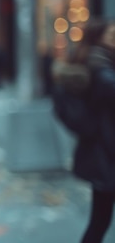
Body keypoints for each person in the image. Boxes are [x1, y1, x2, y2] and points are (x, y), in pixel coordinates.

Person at [55, 19, 115, 243]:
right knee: (100, 219)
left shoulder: (97, 58)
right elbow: (110, 88)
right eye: (112, 34)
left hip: (103, 150)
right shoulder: (100, 63)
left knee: (100, 218)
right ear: (98, 37)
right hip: (107, 151)